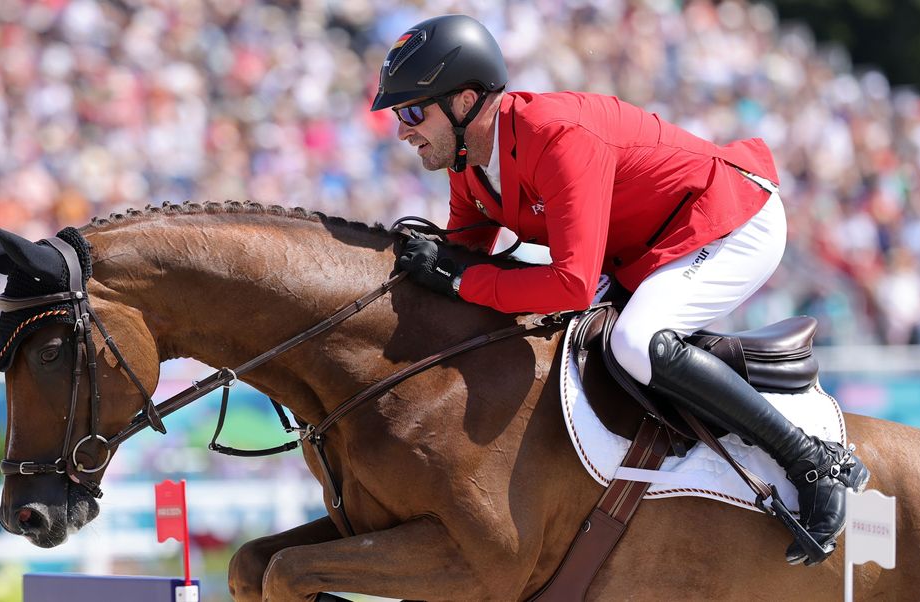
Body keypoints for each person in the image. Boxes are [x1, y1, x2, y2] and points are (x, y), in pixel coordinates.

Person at [371, 14, 869, 565]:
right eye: (400, 114)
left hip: (730, 220)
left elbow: (572, 284)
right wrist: (428, 267)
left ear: (465, 102)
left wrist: (460, 277)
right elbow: (467, 258)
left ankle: (813, 462)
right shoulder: (468, 163)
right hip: (646, 248)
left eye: (412, 111)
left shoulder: (554, 137)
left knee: (636, 340)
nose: (403, 129)